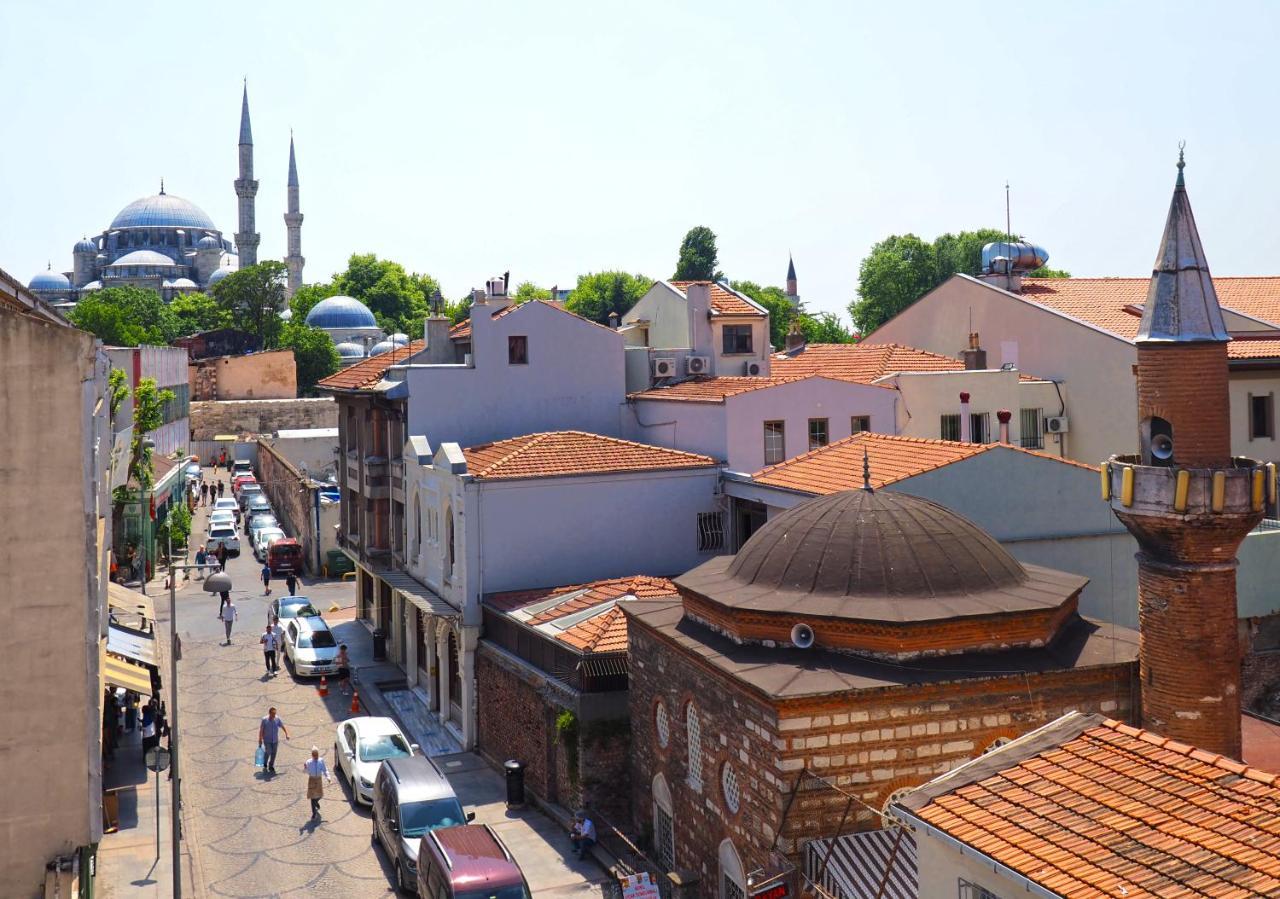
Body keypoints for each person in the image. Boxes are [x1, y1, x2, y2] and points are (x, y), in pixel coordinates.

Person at [302, 747, 332, 819]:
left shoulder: (321, 761)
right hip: (312, 780)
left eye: (317, 754)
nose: (316, 756)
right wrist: (305, 768)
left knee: (319, 795)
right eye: (314, 755)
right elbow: (305, 772)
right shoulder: (308, 762)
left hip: (319, 780)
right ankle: (314, 813)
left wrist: (328, 777)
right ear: (312, 755)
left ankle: (316, 803)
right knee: (312, 798)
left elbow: (325, 770)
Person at [258, 707, 289, 774]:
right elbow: (261, 730)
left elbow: (282, 726)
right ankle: (265, 762)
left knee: (274, 753)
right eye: (273, 714)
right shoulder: (264, 720)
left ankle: (271, 765)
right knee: (268, 751)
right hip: (267, 740)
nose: (274, 715)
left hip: (275, 740)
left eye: (275, 714)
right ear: (269, 713)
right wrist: (260, 739)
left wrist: (286, 734)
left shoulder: (277, 719)